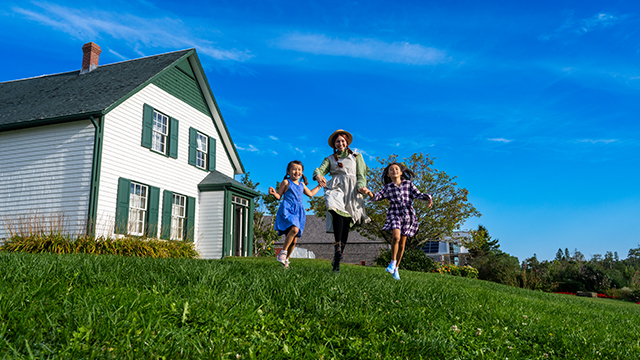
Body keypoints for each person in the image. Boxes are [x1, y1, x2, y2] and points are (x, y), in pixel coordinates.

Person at [361, 162, 433, 280]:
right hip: (394, 213)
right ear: (388, 174)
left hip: (408, 215)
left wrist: (428, 198)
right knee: (396, 237)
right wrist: (368, 192)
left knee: (403, 244)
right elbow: (377, 196)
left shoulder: (408, 184)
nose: (394, 171)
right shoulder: (388, 188)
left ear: (400, 172)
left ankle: (396, 268)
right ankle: (392, 262)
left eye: (396, 169)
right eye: (391, 170)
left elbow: (418, 194)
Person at [313, 129, 369, 272]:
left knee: (346, 222)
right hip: (336, 188)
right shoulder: (330, 159)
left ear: (347, 142)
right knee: (334, 207)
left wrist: (362, 187)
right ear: (334, 144)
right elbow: (319, 170)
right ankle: (337, 246)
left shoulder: (357, 156)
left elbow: (361, 174)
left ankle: (338, 256)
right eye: (337, 141)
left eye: (343, 141)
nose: (340, 143)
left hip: (352, 190)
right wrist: (319, 176)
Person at [269, 160, 323, 269]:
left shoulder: (302, 185)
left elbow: (311, 194)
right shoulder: (286, 182)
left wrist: (319, 186)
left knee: (294, 239)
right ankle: (283, 253)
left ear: (302, 172)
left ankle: (286, 259)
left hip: (298, 212)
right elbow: (279, 196)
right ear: (288, 172)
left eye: (299, 170)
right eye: (294, 169)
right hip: (288, 209)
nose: (296, 172)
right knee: (294, 229)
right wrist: (274, 193)